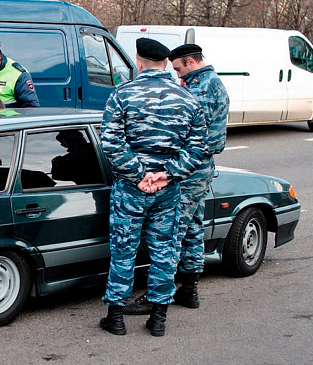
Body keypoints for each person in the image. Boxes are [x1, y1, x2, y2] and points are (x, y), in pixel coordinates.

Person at [99, 38, 208, 337]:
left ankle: (116, 318)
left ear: (139, 62)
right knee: (165, 251)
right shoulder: (188, 99)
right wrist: (167, 175)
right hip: (167, 191)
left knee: (123, 250)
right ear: (165, 64)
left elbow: (110, 142)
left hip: (131, 189)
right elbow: (199, 148)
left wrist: (137, 175)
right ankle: (158, 319)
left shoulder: (123, 94)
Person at [123, 44, 230, 316]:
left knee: (170, 234)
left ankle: (158, 295)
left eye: (179, 67)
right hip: (202, 168)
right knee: (193, 227)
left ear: (191, 62)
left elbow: (188, 135)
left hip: (188, 169)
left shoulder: (199, 89)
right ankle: (190, 288)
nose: (177, 73)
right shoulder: (212, 83)